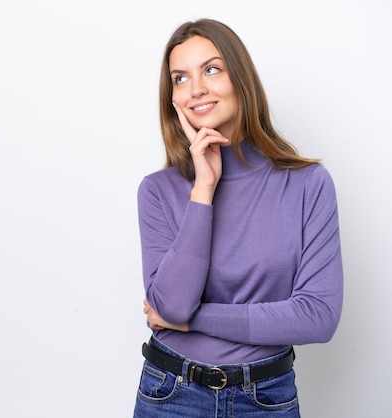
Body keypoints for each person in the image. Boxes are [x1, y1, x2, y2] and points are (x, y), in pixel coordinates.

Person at [133, 18, 343, 417]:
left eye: (212, 69)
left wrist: (195, 321)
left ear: (240, 78)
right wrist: (203, 189)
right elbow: (172, 306)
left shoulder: (307, 184)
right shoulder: (157, 191)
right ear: (171, 97)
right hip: (170, 395)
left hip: (266, 397)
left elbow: (318, 317)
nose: (196, 89)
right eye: (180, 78)